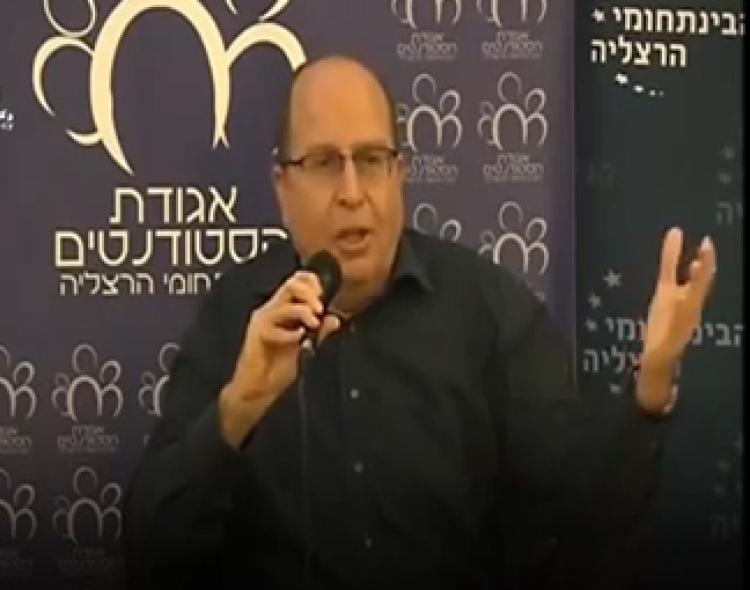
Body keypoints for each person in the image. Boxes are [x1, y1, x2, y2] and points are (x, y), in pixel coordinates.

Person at [122, 55, 717, 590]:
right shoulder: (236, 319)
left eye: (371, 160)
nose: (352, 192)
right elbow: (152, 553)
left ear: (399, 173)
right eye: (324, 163)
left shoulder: (487, 311)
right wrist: (239, 408)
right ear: (283, 186)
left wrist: (651, 386)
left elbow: (585, 511)